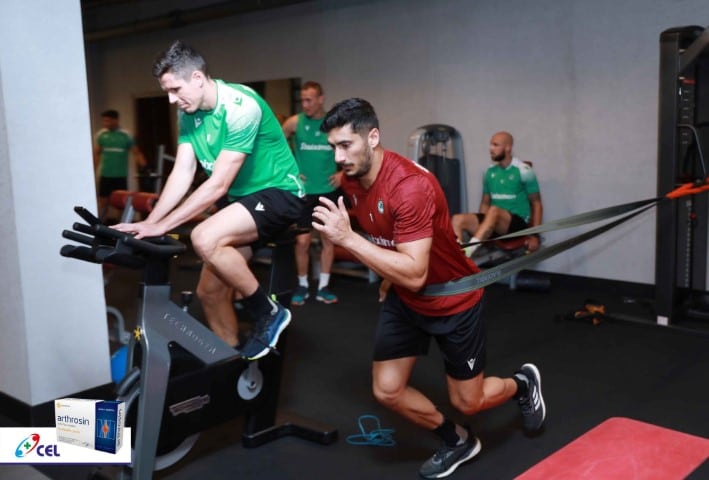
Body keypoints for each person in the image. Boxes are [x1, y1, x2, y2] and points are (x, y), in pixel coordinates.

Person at [312, 98, 546, 479]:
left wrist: (349, 239)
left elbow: (416, 273)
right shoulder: (351, 179)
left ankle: (521, 384)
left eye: (346, 145)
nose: (338, 157)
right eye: (333, 147)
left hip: (453, 300)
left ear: (373, 137)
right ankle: (457, 440)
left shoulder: (410, 187)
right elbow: (393, 244)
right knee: (387, 390)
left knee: (468, 402)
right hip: (404, 298)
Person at [112, 40, 306, 361]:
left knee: (204, 237)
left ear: (198, 78)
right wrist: (149, 223)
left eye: (175, 89)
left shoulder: (241, 107)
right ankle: (231, 363)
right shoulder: (188, 114)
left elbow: (218, 185)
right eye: (167, 91)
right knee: (210, 293)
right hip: (243, 201)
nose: (171, 99)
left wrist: (163, 225)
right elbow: (183, 172)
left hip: (280, 194)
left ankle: (268, 312)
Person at [282, 81, 341, 306]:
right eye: (302, 100)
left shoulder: (333, 124)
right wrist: (290, 170)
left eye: (309, 100)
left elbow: (352, 147)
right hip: (304, 192)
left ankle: (324, 287)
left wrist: (343, 174)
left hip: (328, 190)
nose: (305, 104)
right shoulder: (295, 122)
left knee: (328, 240)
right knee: (302, 242)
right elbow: (275, 144)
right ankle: (302, 285)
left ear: (321, 99)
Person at [451, 131, 543, 257]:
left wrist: (535, 235)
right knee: (457, 219)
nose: (491, 149)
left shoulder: (524, 171)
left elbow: (536, 204)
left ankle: (468, 251)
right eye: (491, 145)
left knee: (494, 210)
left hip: (517, 225)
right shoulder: (490, 172)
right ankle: (458, 256)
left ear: (508, 147)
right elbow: (485, 203)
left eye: (495, 145)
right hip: (495, 222)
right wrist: (483, 229)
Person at [93, 109, 147, 220]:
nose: (105, 123)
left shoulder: (126, 135)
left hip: (120, 176)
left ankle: (120, 226)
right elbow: (96, 154)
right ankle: (101, 225)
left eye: (108, 121)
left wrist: (145, 166)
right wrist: (92, 172)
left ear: (115, 120)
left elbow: (137, 153)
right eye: (104, 121)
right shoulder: (101, 135)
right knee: (103, 202)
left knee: (121, 203)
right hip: (105, 175)